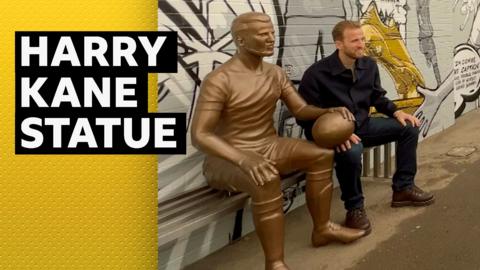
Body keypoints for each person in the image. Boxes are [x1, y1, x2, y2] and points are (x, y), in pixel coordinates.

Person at [191, 12, 365, 270]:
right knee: (266, 177)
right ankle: (275, 263)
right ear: (240, 40)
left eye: (272, 32)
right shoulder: (220, 80)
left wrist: (327, 110)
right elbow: (200, 135)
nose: (272, 38)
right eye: (263, 34)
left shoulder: (275, 73)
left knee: (322, 155)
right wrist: (243, 159)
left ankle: (322, 229)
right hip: (227, 157)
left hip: (269, 145)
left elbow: (301, 110)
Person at [297, 20, 435, 235]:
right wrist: (334, 136)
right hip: (337, 136)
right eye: (355, 41)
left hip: (364, 126)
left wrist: (396, 112)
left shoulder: (368, 65)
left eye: (362, 39)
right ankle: (354, 208)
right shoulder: (316, 75)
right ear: (339, 44)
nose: (361, 44)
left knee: (409, 128)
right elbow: (305, 118)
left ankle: (403, 189)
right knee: (351, 153)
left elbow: (376, 97)